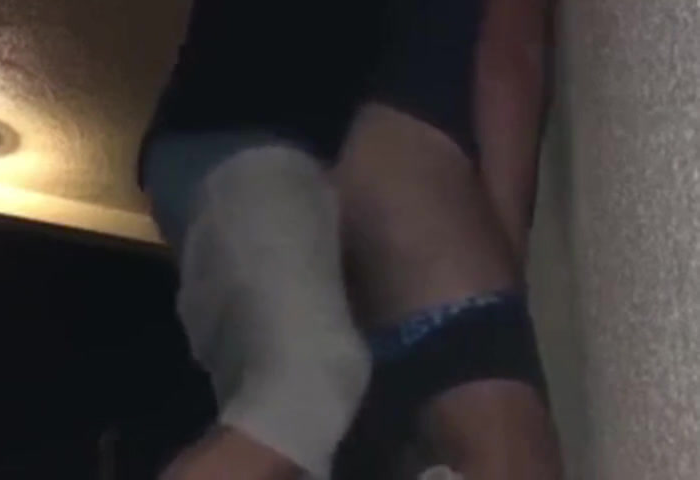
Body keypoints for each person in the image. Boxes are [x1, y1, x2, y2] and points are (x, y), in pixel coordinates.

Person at [137, 0, 563, 478]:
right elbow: (511, 60)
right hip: (253, 137)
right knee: (308, 386)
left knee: (315, 398)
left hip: (273, 140)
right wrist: (504, 284)